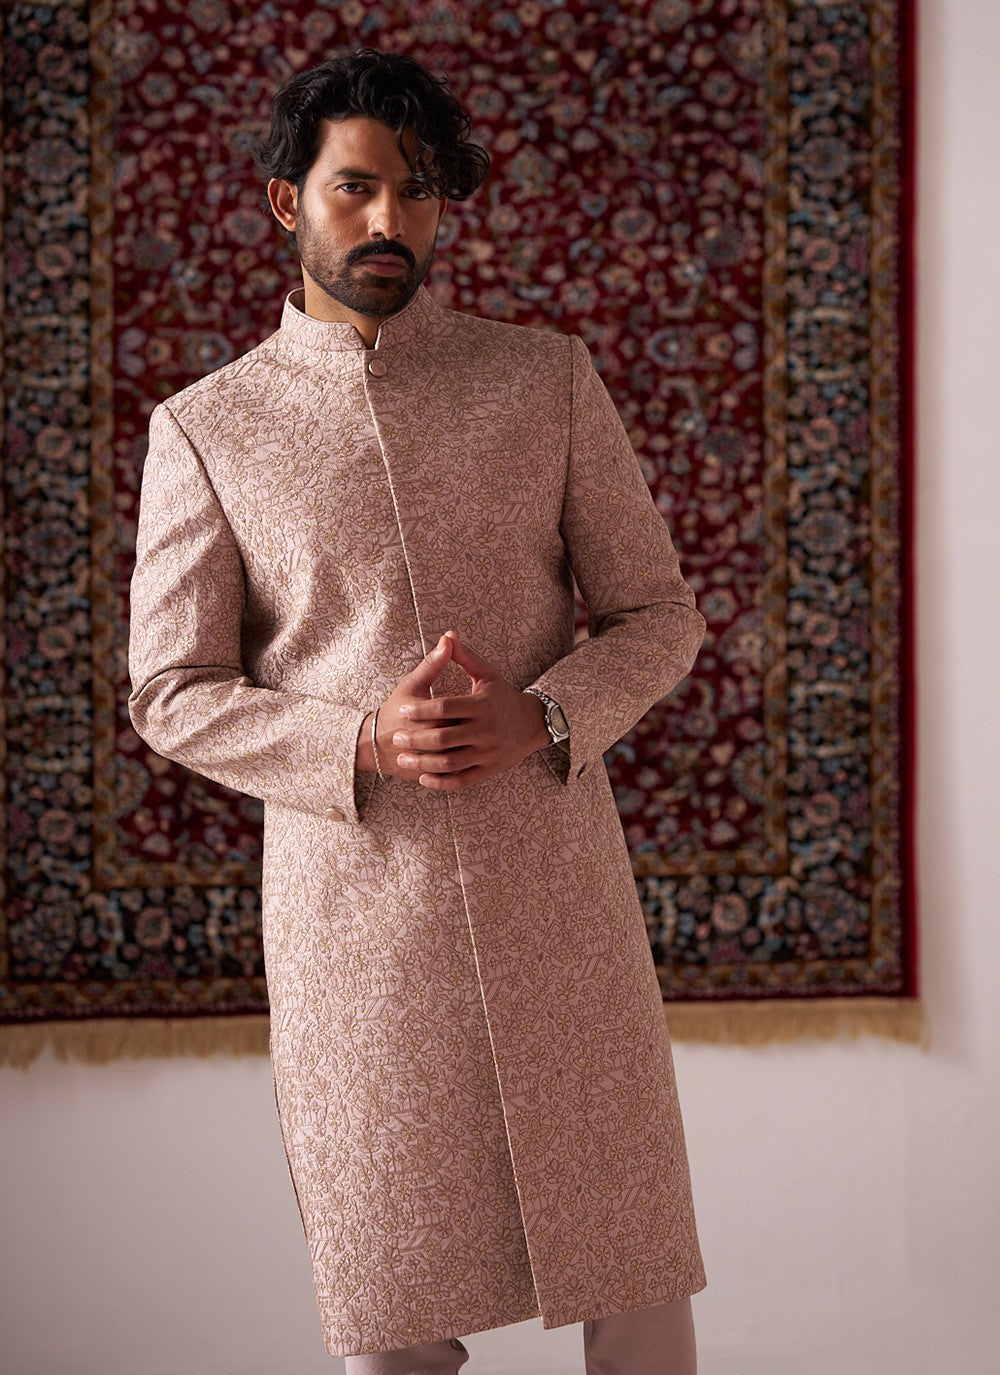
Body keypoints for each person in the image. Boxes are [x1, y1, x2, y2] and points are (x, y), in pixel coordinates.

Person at [128, 48, 707, 1375]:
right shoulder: (210, 428)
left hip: (556, 891)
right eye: (357, 187)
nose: (390, 219)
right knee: (392, 1306)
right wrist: (354, 740)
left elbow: (658, 614)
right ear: (289, 202)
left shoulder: (544, 381)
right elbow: (171, 690)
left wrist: (546, 715)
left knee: (632, 1274)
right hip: (356, 924)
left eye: (420, 191)